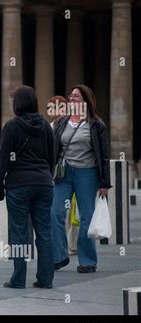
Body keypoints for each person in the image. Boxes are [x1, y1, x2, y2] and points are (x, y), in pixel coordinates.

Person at [0, 86, 55, 289]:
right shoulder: (46, 126)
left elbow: (3, 160)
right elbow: (51, 156)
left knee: (19, 233)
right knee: (44, 232)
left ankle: (18, 279)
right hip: (43, 183)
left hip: (18, 185)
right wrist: (47, 176)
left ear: (17, 104)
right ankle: (46, 279)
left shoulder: (11, 127)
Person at [51, 84, 110, 273]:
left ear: (86, 100)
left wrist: (104, 182)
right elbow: (53, 148)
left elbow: (104, 154)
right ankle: (59, 256)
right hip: (64, 173)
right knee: (55, 213)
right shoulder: (62, 122)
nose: (72, 98)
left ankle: (88, 261)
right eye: (71, 96)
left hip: (88, 174)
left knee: (87, 216)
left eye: (76, 96)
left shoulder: (96, 124)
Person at [48, 95, 79, 256]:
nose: (50, 111)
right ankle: (63, 247)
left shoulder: (71, 123)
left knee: (73, 211)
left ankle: (73, 245)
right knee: (59, 212)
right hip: (58, 173)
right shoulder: (50, 125)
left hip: (74, 171)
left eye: (53, 107)